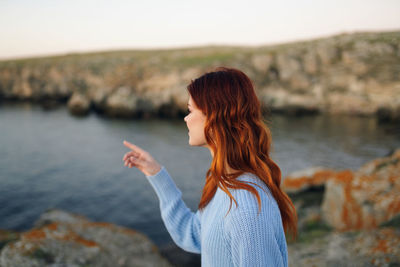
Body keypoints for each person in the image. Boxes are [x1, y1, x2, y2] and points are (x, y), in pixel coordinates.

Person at [122, 67, 297, 267]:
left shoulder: (246, 207)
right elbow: (193, 235)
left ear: (215, 115)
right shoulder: (224, 181)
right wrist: (157, 174)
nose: (186, 119)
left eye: (190, 110)